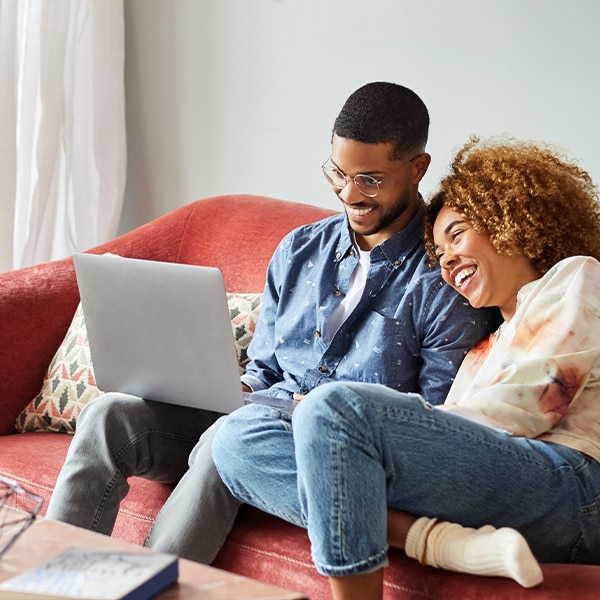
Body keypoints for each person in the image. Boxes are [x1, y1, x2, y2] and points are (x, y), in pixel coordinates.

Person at [45, 83, 498, 564]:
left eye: (369, 180)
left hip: (327, 445)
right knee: (109, 413)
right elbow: (264, 367)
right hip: (258, 410)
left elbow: (433, 420)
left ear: (417, 168)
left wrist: (323, 409)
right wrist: (216, 385)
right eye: (338, 173)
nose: (348, 194)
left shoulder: (445, 277)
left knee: (232, 436)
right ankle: (52, 583)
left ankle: (149, 589)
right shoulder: (300, 249)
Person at [213, 135, 600, 599]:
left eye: (457, 235)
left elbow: (523, 410)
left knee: (333, 409)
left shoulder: (575, 278)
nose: (448, 260)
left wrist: (361, 432)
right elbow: (461, 450)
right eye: (439, 253)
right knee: (237, 440)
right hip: (500, 486)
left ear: (508, 223)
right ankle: (439, 543)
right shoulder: (484, 346)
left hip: (573, 490)